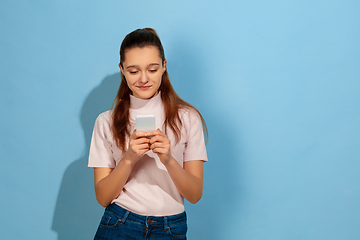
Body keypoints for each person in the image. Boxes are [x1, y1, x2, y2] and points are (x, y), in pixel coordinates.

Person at [88, 28, 208, 240]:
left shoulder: (188, 118)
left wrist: (169, 159)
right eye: (133, 71)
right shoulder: (106, 121)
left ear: (164, 66)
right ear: (122, 70)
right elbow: (103, 197)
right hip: (119, 222)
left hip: (170, 227)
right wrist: (128, 159)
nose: (143, 79)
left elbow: (195, 194)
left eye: (152, 69)